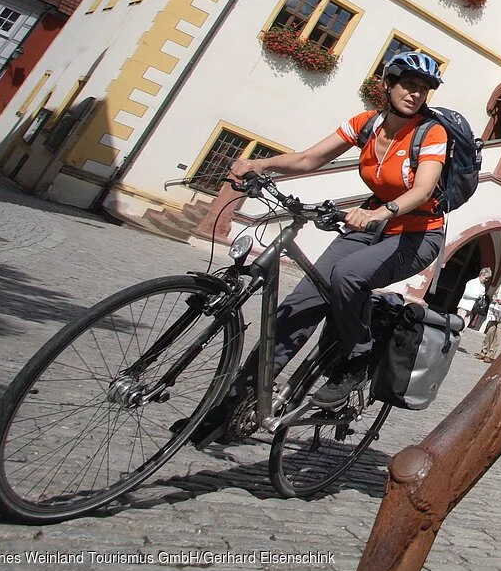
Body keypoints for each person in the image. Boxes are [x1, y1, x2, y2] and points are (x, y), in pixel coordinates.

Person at [189, 50, 450, 444]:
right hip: (371, 224)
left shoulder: (431, 133)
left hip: (417, 233)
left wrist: (383, 212)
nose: (416, 94)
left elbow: (423, 188)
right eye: (409, 85)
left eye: (423, 89)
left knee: (348, 275)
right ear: (388, 84)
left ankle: (357, 357)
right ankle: (228, 408)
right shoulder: (365, 124)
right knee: (296, 308)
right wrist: (260, 165)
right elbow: (311, 158)